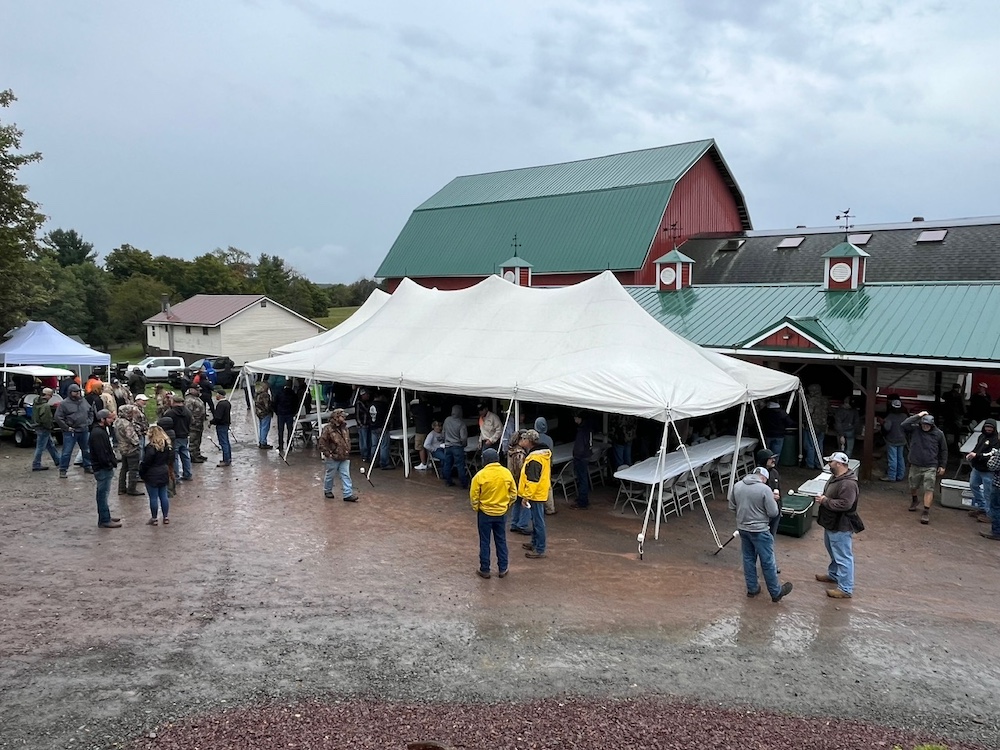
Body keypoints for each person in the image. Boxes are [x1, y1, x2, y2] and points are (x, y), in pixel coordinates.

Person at [729, 466, 792, 602]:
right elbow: (773, 512)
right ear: (763, 478)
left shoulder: (737, 486)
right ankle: (775, 592)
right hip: (760, 530)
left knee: (748, 559)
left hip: (743, 528)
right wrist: (773, 500)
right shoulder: (765, 489)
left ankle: (752, 589)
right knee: (767, 561)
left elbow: (732, 506)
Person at [815, 451, 860, 599]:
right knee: (833, 551)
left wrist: (825, 501)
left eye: (831, 462)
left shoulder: (848, 483)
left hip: (841, 525)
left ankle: (845, 588)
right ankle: (834, 575)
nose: (828, 464)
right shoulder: (836, 477)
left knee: (843, 556)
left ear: (839, 464)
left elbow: (846, 504)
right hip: (832, 523)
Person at [470, 447, 517, 579]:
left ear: (484, 460)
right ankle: (503, 568)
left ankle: (485, 569)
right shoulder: (506, 473)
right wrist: (506, 505)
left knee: (485, 541)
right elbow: (514, 493)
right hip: (501, 513)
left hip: (485, 513)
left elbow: (474, 496)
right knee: (501, 540)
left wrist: (477, 508)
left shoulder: (480, 476)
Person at [902, 411, 948, 525]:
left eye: (927, 425)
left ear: (932, 425)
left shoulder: (938, 434)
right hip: (915, 464)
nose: (925, 427)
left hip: (930, 465)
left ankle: (926, 511)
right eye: (923, 424)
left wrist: (942, 465)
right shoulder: (915, 429)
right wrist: (919, 415)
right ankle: (915, 500)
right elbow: (904, 424)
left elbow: (944, 450)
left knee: (929, 488)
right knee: (913, 485)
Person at [519, 429, 552, 559]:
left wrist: (526, 496)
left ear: (530, 441)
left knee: (538, 521)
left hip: (535, 494)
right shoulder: (541, 454)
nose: (523, 441)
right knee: (536, 520)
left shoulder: (535, 458)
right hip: (539, 492)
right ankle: (535, 543)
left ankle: (540, 549)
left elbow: (533, 480)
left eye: (525, 439)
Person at [89, 409, 121, 528]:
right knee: (102, 495)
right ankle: (104, 520)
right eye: (110, 418)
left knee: (103, 494)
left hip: (103, 467)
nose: (112, 420)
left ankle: (105, 516)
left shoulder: (100, 431)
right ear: (102, 419)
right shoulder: (98, 433)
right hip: (102, 468)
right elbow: (101, 453)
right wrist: (109, 464)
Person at [319, 408, 359, 502]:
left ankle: (348, 494)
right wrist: (328, 453)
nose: (344, 418)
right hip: (333, 457)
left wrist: (348, 450)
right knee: (330, 475)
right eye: (342, 416)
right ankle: (327, 490)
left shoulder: (345, 428)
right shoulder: (328, 429)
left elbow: (347, 440)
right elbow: (322, 442)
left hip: (344, 456)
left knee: (346, 475)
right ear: (336, 417)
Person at [55, 383, 94, 477]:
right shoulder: (64, 403)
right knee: (66, 452)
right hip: (71, 432)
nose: (77, 393)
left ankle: (88, 466)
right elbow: (58, 417)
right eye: (75, 392)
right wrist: (66, 427)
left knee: (86, 450)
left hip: (84, 429)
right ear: (70, 392)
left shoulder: (83, 401)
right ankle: (63, 470)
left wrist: (89, 421)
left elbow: (90, 411)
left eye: (78, 391)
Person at [139, 424, 174, 526]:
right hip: (163, 471)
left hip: (152, 474)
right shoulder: (167, 446)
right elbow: (171, 459)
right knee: (164, 496)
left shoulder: (150, 448)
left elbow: (146, 462)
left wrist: (142, 472)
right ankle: (166, 517)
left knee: (153, 497)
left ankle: (154, 518)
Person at [965, 418, 999, 523]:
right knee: (973, 486)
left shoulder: (996, 440)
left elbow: (991, 455)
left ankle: (989, 515)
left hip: (988, 470)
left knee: (988, 493)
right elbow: (976, 449)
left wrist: (977, 455)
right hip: (977, 468)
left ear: (994, 428)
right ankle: (982, 508)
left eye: (990, 427)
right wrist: (971, 454)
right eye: (987, 427)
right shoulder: (981, 436)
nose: (988, 429)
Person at [755, 448, 784, 569]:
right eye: (770, 458)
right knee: (759, 539)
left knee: (771, 539)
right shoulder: (757, 476)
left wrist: (780, 508)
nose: (773, 460)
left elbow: (779, 489)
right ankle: (755, 564)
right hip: (762, 514)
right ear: (764, 460)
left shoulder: (775, 473)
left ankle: (770, 564)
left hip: (775, 512)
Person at [113, 405, 144, 496]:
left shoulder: (117, 421)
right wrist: (138, 442)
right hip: (131, 449)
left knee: (124, 469)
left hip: (122, 448)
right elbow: (133, 438)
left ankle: (121, 488)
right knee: (133, 469)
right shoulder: (126, 424)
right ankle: (132, 489)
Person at [506, 427, 531, 536]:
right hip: (520, 482)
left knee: (516, 503)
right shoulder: (520, 454)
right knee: (526, 503)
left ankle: (514, 523)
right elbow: (521, 470)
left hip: (513, 481)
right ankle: (522, 524)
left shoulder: (511, 450)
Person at [31, 388, 61, 471]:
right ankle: (36, 464)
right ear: (47, 395)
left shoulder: (36, 401)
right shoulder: (46, 406)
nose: (51, 397)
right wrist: (50, 426)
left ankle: (58, 461)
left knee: (50, 445)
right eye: (50, 395)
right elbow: (46, 419)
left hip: (37, 426)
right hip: (43, 427)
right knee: (41, 447)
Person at [165, 394, 193, 481]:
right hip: (184, 436)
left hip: (174, 437)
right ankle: (188, 474)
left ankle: (176, 476)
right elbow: (191, 422)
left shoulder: (170, 413)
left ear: (173, 402)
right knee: (185, 455)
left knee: (174, 457)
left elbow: (165, 424)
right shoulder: (188, 412)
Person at [880, 397, 909, 482]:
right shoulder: (904, 416)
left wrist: (883, 423)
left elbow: (887, 428)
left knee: (893, 459)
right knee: (900, 458)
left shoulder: (890, 417)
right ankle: (900, 476)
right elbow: (908, 428)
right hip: (902, 439)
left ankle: (891, 476)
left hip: (892, 440)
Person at [533, 416, 557, 515]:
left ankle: (537, 508)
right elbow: (551, 453)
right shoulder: (549, 439)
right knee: (548, 486)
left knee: (535, 485)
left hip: (535, 465)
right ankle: (550, 508)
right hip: (546, 465)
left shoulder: (534, 439)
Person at [441, 405, 469, 488]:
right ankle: (464, 483)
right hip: (457, 446)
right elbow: (463, 438)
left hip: (448, 445)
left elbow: (443, 433)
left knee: (447, 464)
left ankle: (448, 481)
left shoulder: (447, 420)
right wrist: (464, 444)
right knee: (460, 465)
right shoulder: (461, 423)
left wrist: (445, 441)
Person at [570, 410, 593, 510]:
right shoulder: (588, 428)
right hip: (586, 455)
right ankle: (582, 498)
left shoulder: (582, 430)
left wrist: (576, 456)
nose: (575, 419)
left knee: (582, 479)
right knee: (583, 478)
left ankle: (582, 501)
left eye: (576, 418)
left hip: (581, 457)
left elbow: (579, 446)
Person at [803, 384, 829, 470]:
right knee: (820, 445)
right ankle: (819, 463)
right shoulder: (825, 400)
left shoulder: (812, 400)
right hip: (823, 425)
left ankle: (810, 464)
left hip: (813, 425)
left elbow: (808, 412)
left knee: (811, 445)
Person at [369, 390, 392, 470]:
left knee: (374, 445)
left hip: (373, 427)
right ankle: (384, 463)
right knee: (384, 446)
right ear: (381, 396)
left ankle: (374, 462)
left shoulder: (371, 404)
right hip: (382, 427)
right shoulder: (383, 405)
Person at [274, 381, 298, 453]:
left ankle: (280, 445)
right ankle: (289, 444)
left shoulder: (279, 392)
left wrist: (277, 412)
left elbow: (275, 403)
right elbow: (296, 404)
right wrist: (294, 412)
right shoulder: (293, 393)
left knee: (280, 430)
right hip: (289, 414)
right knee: (290, 430)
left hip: (281, 414)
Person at [210, 387, 232, 467]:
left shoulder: (220, 404)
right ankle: (228, 458)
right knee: (226, 442)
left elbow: (218, 417)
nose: (216, 396)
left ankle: (226, 460)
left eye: (217, 394)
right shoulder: (227, 403)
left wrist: (212, 422)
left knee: (223, 442)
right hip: (226, 424)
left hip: (221, 425)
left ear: (220, 395)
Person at [411, 395, 434, 470]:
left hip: (420, 429)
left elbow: (411, 414)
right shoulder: (429, 407)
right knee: (428, 445)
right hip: (428, 429)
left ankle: (423, 463)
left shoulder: (417, 408)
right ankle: (429, 462)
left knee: (420, 447)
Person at [185, 387, 208, 462]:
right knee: (193, 441)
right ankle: (192, 456)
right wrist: (193, 422)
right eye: (197, 390)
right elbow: (188, 413)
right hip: (193, 425)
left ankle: (197, 454)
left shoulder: (196, 398)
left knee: (198, 440)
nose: (199, 391)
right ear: (192, 390)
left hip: (199, 424)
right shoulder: (189, 400)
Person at [355, 388, 373, 462]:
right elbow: (357, 415)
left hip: (368, 424)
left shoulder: (368, 402)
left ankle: (368, 455)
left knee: (368, 441)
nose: (368, 396)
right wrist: (360, 424)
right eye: (367, 394)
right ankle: (364, 456)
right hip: (362, 425)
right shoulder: (359, 403)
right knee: (364, 442)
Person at [254, 380, 274, 449]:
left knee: (261, 427)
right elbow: (267, 405)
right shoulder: (265, 395)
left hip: (259, 412)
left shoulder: (257, 394)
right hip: (265, 413)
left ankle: (261, 441)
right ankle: (263, 442)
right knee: (265, 428)